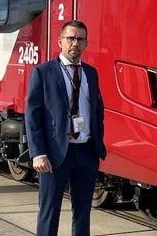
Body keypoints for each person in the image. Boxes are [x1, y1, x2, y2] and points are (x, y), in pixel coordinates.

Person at [25, 20, 106, 236]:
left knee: (82, 213)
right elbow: (33, 115)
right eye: (70, 38)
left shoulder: (91, 73)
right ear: (60, 41)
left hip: (87, 152)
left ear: (86, 43)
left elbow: (98, 109)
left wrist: (98, 142)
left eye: (80, 39)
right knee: (49, 212)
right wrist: (38, 153)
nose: (75, 43)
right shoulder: (43, 72)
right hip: (54, 155)